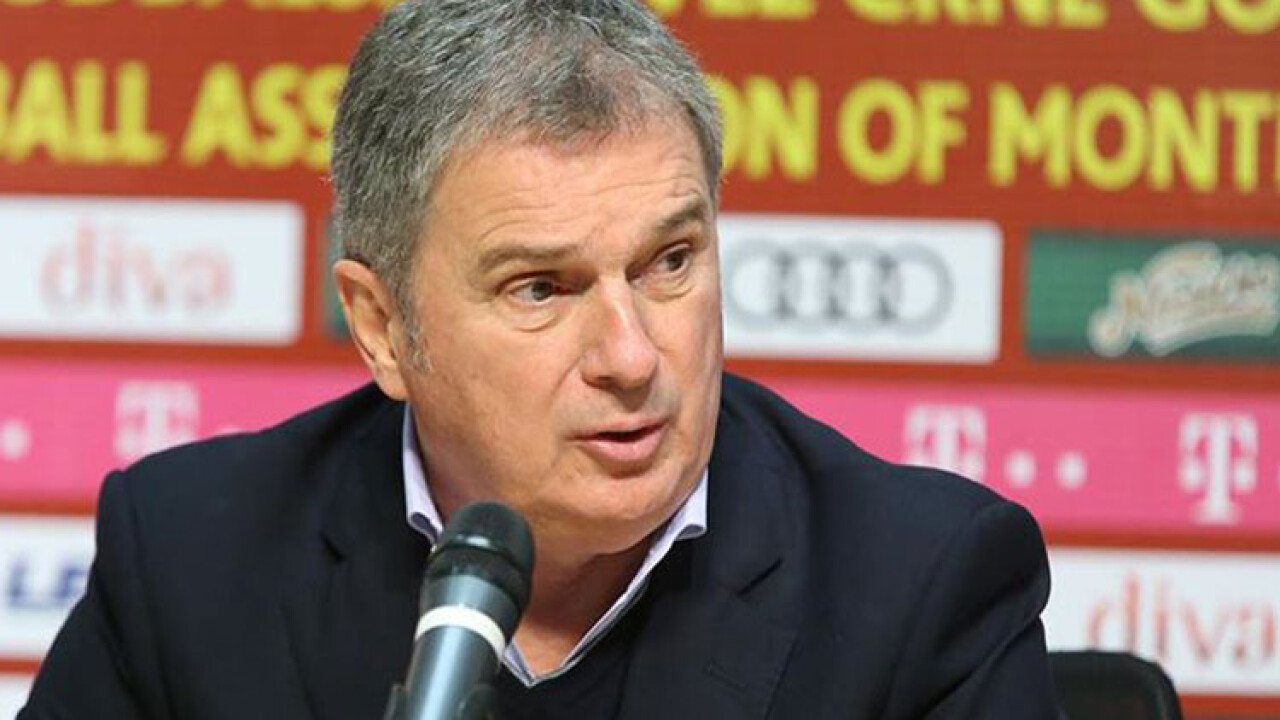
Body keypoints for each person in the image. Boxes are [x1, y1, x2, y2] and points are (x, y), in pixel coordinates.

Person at [20, 0, 1059, 717]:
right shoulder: (192, 562)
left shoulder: (919, 586)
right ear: (381, 326)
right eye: (540, 289)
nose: (631, 356)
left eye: (669, 262)